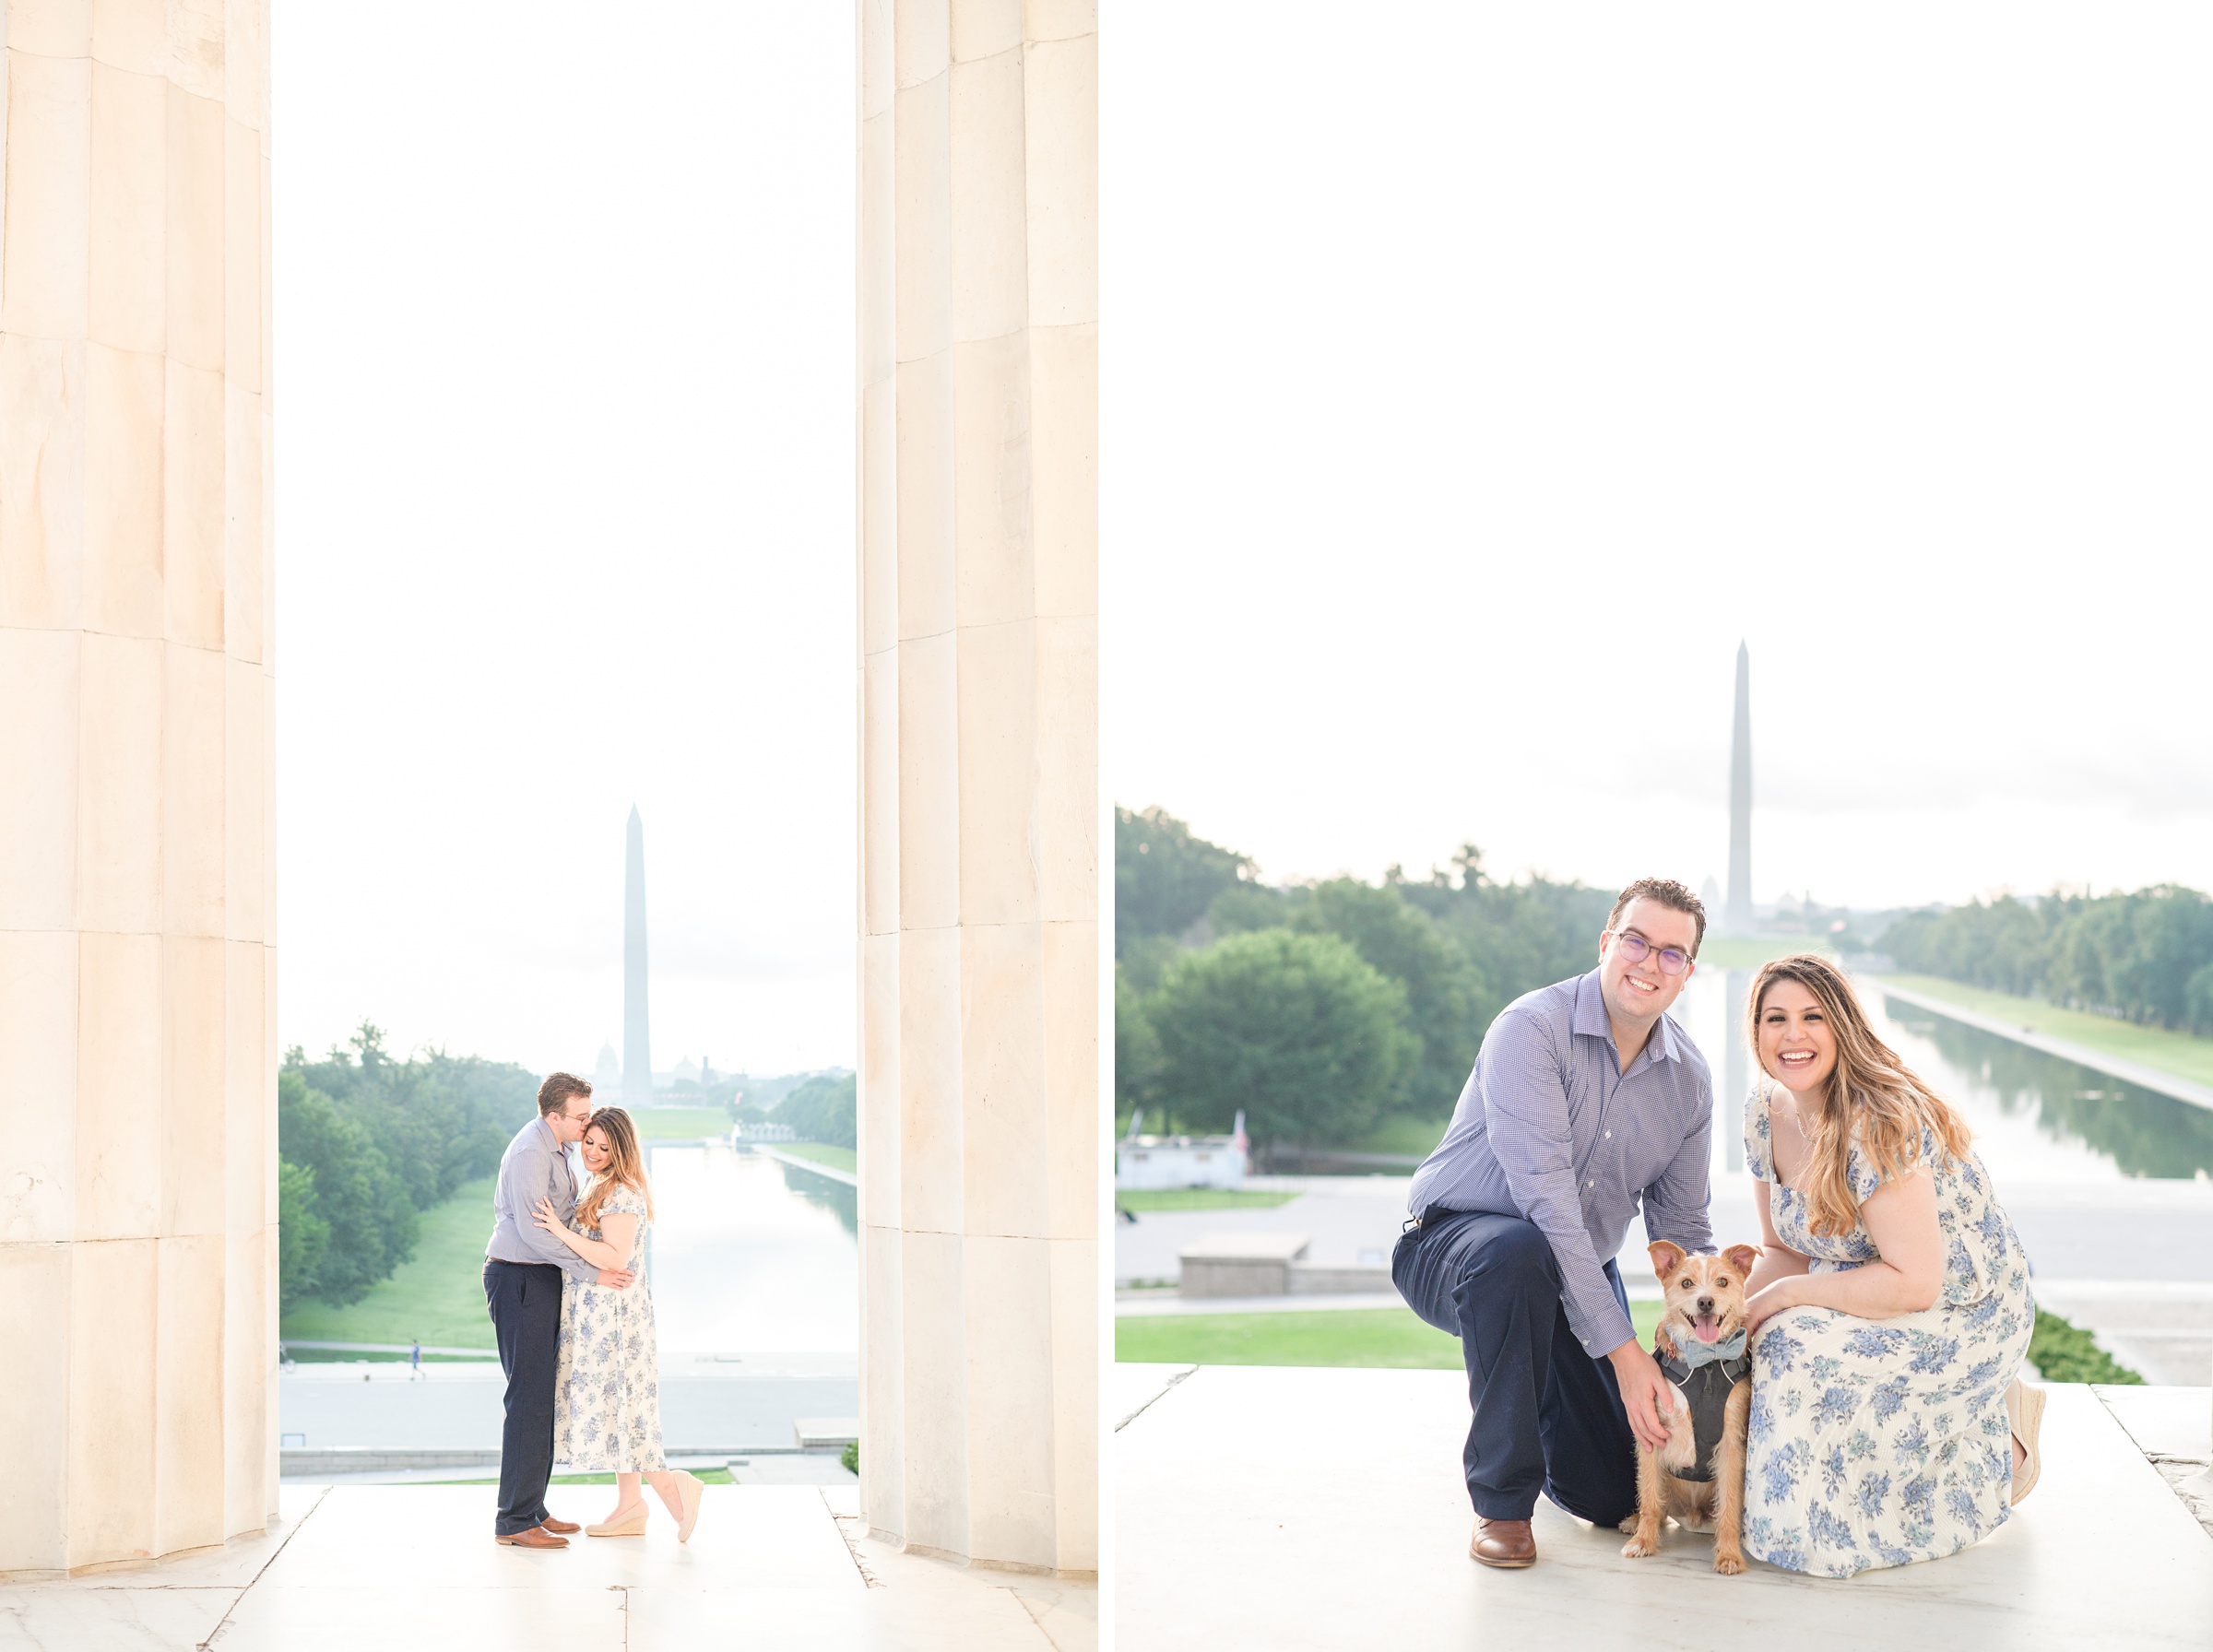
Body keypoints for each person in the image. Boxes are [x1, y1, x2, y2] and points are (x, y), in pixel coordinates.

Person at [1393, 877, 1716, 1569]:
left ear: (1687, 973)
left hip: (1572, 1265)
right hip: (1457, 1242)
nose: (1647, 962)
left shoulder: (1688, 1080)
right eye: (1636, 940)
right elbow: (1545, 1201)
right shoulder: (1531, 1029)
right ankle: (1502, 1504)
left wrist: (1703, 1333)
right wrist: (1624, 1353)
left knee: (1611, 1493)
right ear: (1607, 942)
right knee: (1518, 1255)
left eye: (1670, 953)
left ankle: (1532, 1401)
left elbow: (1684, 1225)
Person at [1737, 954, 2041, 1576]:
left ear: (1842, 1026)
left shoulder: (1878, 1119)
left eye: (1812, 1017)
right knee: (1757, 1342)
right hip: (1864, 1277)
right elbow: (1784, 1249)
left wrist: (1783, 1299)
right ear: (1756, 1031)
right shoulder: (1766, 1112)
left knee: (1795, 1347)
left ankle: (1999, 1448)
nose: (1793, 1036)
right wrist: (1737, 1317)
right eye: (1776, 1019)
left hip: (1962, 1304)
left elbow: (1916, 1280)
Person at [534, 1105, 705, 1540]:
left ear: (621, 1150)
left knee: (628, 1408)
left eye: (603, 1147)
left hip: (616, 1321)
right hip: (598, 1315)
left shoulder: (623, 1192)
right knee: (616, 1408)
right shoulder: (599, 1183)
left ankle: (672, 1490)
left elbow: (615, 1258)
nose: (591, 1151)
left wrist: (557, 1228)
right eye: (588, 1141)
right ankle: (630, 1506)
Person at [483, 1072, 635, 1550]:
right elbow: (535, 1234)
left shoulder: (558, 1149)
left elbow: (563, 1221)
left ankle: (532, 1506)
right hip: (519, 1277)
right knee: (527, 1400)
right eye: (581, 1116)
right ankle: (514, 1521)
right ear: (555, 1117)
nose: (588, 1122)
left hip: (540, 1278)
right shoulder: (532, 1152)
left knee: (540, 1398)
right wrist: (594, 1272)